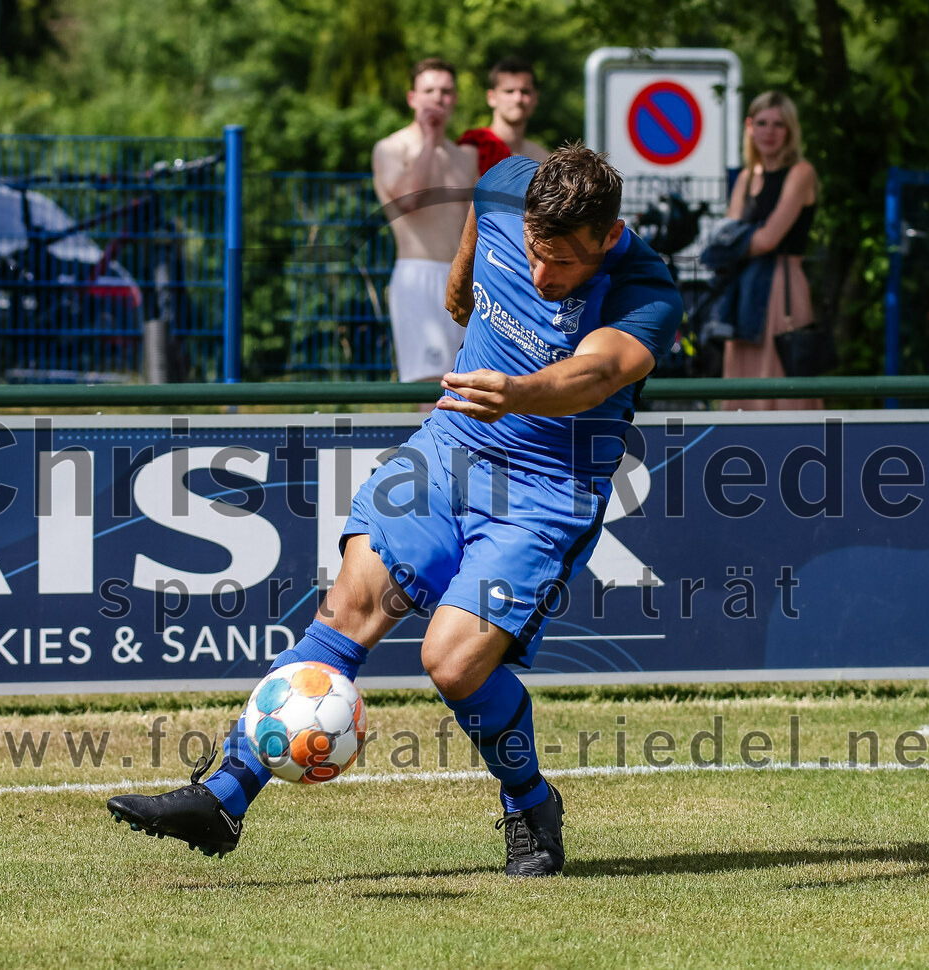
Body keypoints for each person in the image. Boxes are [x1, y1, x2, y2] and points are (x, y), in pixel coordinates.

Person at [106, 145, 683, 878]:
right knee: (345, 612)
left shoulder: (645, 288)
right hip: (448, 454)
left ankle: (530, 802)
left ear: (609, 234)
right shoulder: (512, 185)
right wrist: (459, 278)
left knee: (451, 662)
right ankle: (221, 799)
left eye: (565, 263)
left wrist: (518, 390)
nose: (543, 276)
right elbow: (481, 204)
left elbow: (598, 373)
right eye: (536, 254)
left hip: (542, 494)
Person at [371, 57, 479, 385]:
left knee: (469, 383)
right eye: (429, 90)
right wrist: (429, 140)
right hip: (418, 276)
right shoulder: (391, 148)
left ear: (455, 99)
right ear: (412, 98)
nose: (438, 98)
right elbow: (409, 200)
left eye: (446, 91)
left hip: (463, 277)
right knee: (428, 387)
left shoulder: (464, 156)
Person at [720, 90, 822, 410]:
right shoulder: (746, 178)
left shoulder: (801, 173)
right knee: (742, 387)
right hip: (743, 290)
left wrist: (736, 242)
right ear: (749, 127)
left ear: (790, 131)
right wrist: (736, 242)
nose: (769, 131)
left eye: (779, 124)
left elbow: (767, 240)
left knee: (784, 380)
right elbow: (727, 240)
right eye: (761, 123)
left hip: (783, 288)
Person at [457, 56, 551, 175]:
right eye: (509, 91)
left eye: (525, 92)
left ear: (535, 98)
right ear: (491, 97)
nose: (517, 99)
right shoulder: (472, 149)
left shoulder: (542, 158)